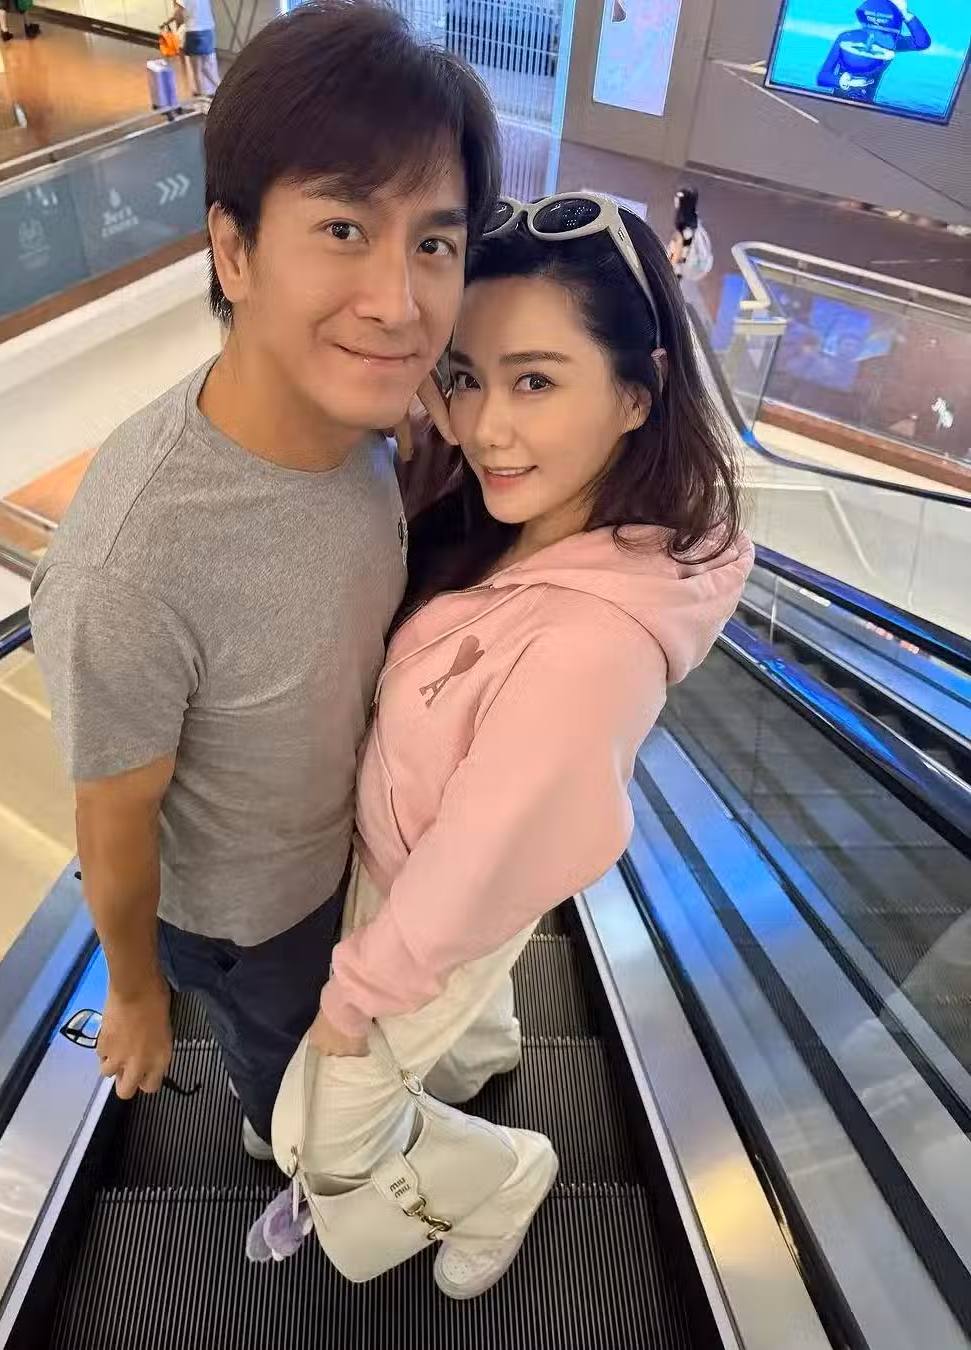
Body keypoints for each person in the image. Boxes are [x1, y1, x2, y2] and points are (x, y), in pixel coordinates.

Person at [30, 1, 499, 1162]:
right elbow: (112, 818)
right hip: (248, 921)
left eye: (434, 244)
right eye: (343, 228)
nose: (398, 303)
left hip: (353, 853)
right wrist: (135, 993)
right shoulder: (132, 564)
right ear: (233, 252)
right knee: (292, 1082)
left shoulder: (374, 422)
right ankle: (281, 1142)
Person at [265, 193, 753, 1297]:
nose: (485, 427)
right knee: (467, 984)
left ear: (639, 392)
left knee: (329, 1150)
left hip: (427, 896)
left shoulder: (587, 643)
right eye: (467, 377)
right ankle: (481, 1050)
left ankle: (502, 1175)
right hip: (432, 867)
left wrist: (352, 1002)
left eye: (536, 381)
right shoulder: (533, 523)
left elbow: (479, 862)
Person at [817, 0, 931, 106]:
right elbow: (822, 77)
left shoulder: (891, 42)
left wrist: (905, 13)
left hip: (867, 108)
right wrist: (842, 81)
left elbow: (922, 43)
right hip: (836, 103)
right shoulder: (846, 38)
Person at [168, 0, 221, 98]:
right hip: (208, 31)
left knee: (197, 70)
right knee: (207, 67)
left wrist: (169, 21)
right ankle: (223, 90)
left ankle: (202, 96)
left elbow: (178, 13)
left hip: (194, 32)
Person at [667, 186, 698, 280]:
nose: (676, 201)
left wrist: (669, 267)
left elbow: (678, 253)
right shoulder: (690, 227)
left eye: (679, 199)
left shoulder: (685, 230)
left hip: (675, 272)